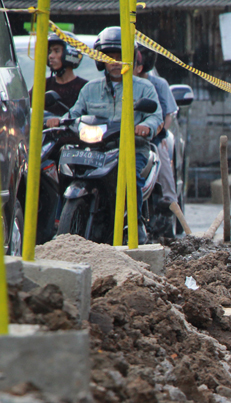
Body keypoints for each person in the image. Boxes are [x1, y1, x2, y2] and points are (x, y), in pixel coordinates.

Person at [52, 26, 163, 244]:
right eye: (109, 56)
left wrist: (146, 127)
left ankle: (135, 222)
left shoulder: (144, 88)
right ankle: (59, 222)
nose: (114, 61)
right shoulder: (90, 89)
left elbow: (156, 116)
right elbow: (75, 113)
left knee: (131, 176)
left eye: (120, 56)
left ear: (130, 58)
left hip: (131, 148)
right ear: (100, 59)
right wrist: (60, 120)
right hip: (94, 150)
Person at [134, 45, 178, 236]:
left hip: (153, 137)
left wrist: (159, 133)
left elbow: (167, 115)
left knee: (164, 164)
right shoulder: (119, 84)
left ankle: (169, 203)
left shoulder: (158, 85)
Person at [39, 32, 87, 119]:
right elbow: (26, 111)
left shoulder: (85, 88)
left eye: (56, 51)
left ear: (69, 53)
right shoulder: (42, 86)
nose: (51, 56)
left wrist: (60, 120)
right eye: (49, 52)